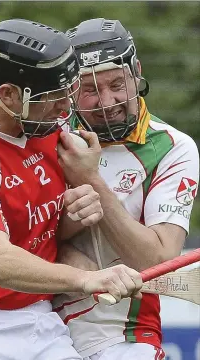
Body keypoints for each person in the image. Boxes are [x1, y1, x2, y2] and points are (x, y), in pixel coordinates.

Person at [0, 18, 144, 360]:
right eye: (54, 98)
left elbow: (43, 227)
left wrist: (81, 205)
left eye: (69, 94)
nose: (66, 110)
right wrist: (86, 278)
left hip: (40, 319)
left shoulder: (43, 124)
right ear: (9, 95)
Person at [54, 18, 199, 360]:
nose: (108, 101)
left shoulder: (174, 148)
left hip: (122, 334)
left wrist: (92, 182)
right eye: (90, 90)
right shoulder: (45, 136)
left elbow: (159, 260)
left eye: (117, 83)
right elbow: (14, 238)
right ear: (71, 90)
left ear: (137, 72)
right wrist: (70, 258)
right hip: (36, 319)